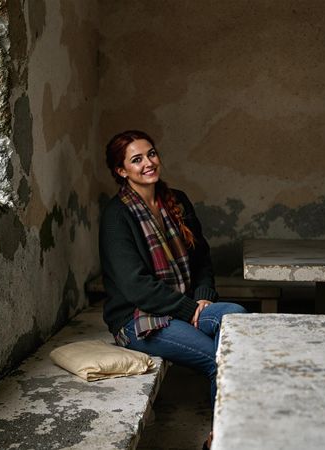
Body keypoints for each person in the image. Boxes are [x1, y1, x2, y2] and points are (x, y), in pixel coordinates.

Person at [99, 130, 247, 450]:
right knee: (222, 360)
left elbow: (201, 257)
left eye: (151, 154)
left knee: (236, 317)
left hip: (187, 304)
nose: (148, 163)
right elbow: (136, 286)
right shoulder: (117, 216)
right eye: (137, 159)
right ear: (121, 171)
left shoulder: (176, 200)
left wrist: (203, 296)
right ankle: (222, 440)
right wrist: (190, 310)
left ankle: (234, 429)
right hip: (140, 318)